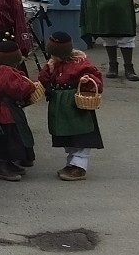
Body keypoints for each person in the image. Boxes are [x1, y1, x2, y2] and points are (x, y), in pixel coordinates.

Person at [38, 32, 103, 181]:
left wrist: (88, 80)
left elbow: (97, 80)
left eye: (55, 54)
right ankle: (72, 163)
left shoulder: (81, 64)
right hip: (61, 106)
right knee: (68, 134)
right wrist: (48, 70)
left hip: (75, 106)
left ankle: (79, 166)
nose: (52, 57)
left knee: (81, 134)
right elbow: (44, 80)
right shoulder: (54, 64)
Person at [0, 42, 38, 182]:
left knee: (6, 139)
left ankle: (9, 164)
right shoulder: (7, 72)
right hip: (5, 111)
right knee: (8, 140)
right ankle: (4, 167)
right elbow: (18, 88)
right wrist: (30, 87)